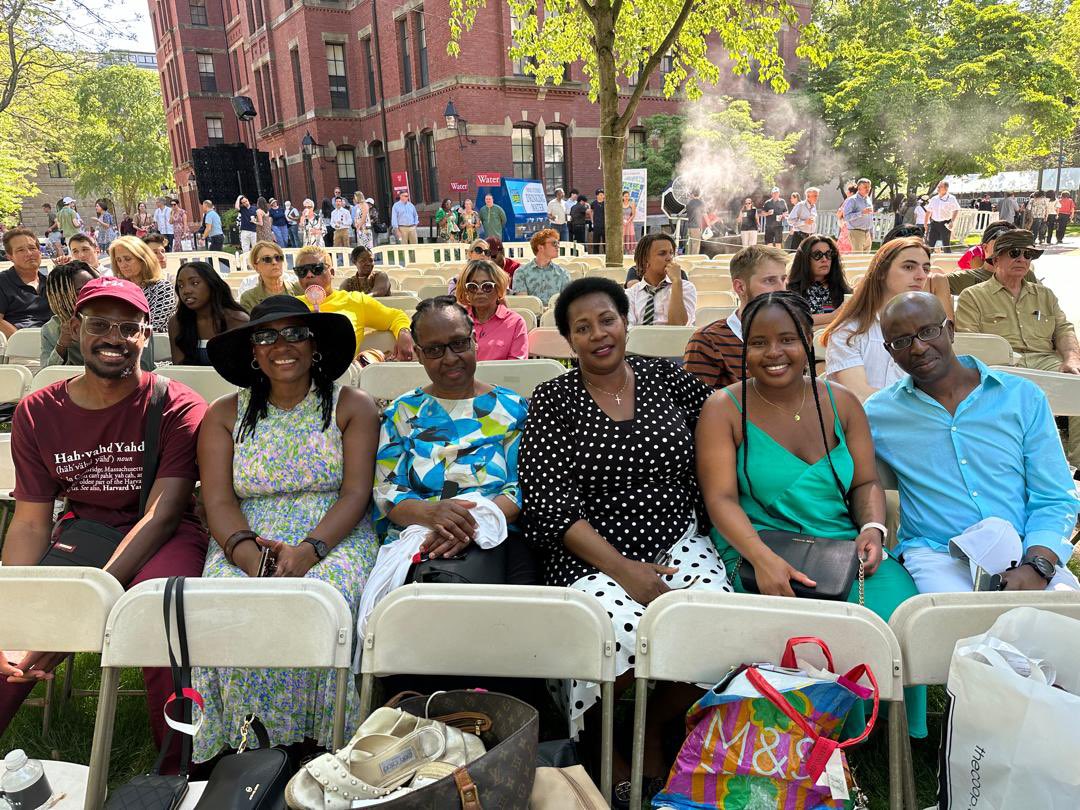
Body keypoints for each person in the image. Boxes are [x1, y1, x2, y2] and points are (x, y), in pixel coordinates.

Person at [519, 277, 730, 788]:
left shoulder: (669, 380)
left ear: (626, 320)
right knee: (609, 632)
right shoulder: (553, 399)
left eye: (606, 320)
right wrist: (623, 570)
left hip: (679, 541)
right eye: (582, 328)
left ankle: (654, 725)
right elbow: (549, 505)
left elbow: (731, 421)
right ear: (569, 341)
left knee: (718, 628)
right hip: (592, 553)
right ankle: (602, 735)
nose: (598, 335)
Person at [695, 290, 925, 738]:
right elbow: (719, 498)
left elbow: (864, 483)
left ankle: (877, 729)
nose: (774, 353)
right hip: (759, 544)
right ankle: (809, 734)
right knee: (798, 621)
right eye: (759, 342)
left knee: (896, 609)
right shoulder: (724, 408)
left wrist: (873, 529)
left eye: (787, 339)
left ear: (809, 342)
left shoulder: (841, 403)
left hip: (841, 544)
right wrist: (761, 559)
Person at [0, 277, 208, 753]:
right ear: (76, 328)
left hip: (166, 533)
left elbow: (162, 512)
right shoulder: (37, 412)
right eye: (99, 324)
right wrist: (16, 611)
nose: (113, 337)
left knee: (161, 616)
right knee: (14, 644)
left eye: (127, 327)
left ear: (145, 333)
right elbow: (31, 521)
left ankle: (176, 772)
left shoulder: (176, 405)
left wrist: (83, 605)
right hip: (85, 530)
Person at [195, 295, 378, 760]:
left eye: (296, 333)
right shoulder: (223, 414)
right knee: (226, 607)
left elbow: (355, 494)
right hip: (244, 536)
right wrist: (247, 556)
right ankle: (242, 746)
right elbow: (218, 499)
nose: (283, 345)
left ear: (314, 345)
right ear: (252, 351)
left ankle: (323, 740)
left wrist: (307, 551)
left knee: (321, 602)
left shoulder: (351, 406)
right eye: (267, 336)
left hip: (333, 534)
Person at [866, 291, 1079, 595]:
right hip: (937, 557)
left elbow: (1055, 495)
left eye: (928, 331)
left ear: (950, 330)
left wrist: (1038, 566)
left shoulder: (1021, 398)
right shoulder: (879, 414)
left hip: (1024, 551)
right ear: (890, 352)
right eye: (901, 341)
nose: (918, 347)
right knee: (958, 628)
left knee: (1064, 624)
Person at [374, 296, 533, 581]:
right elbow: (388, 491)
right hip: (420, 535)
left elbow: (521, 486)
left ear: (474, 341)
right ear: (419, 355)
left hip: (500, 533)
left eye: (459, 343)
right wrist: (431, 514)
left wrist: (470, 524)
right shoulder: (401, 413)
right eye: (434, 350)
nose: (450, 358)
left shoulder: (512, 409)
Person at [955, 228, 1080, 463]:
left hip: (1045, 362)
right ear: (997, 258)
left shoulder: (1045, 295)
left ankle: (1078, 465)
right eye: (1015, 253)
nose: (1023, 259)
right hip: (1002, 367)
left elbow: (1064, 329)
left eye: (1029, 254)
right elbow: (970, 343)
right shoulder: (973, 296)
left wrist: (1072, 358)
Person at [822, 236, 935, 401]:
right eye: (909, 267)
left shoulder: (931, 330)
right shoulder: (849, 331)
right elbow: (859, 395)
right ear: (881, 271)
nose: (921, 276)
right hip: (864, 423)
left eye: (926, 269)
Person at [683, 245, 788, 390]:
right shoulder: (708, 341)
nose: (781, 289)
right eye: (769, 281)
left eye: (783, 280)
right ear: (740, 287)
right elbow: (695, 408)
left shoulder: (793, 334)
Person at [293, 244, 415, 360]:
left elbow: (396, 316)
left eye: (317, 269)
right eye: (301, 271)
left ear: (332, 273)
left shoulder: (356, 301)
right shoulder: (290, 306)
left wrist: (404, 333)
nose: (309, 275)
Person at [169, 261, 249, 365]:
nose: (186, 291)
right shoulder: (177, 323)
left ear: (211, 284)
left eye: (195, 283)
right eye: (180, 286)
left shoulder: (238, 320)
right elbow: (180, 369)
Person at [453, 260, 527, 360]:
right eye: (472, 287)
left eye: (487, 286)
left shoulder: (516, 323)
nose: (479, 291)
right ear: (467, 291)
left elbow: (516, 368)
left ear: (499, 288)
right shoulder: (457, 320)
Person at [108, 235, 176, 334]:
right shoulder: (117, 289)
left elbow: (152, 327)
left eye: (127, 259)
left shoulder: (162, 287)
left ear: (143, 259)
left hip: (155, 346)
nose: (123, 265)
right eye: (119, 260)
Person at [626, 233, 696, 326]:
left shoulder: (685, 287)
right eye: (662, 253)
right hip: (642, 340)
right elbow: (629, 332)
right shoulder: (631, 294)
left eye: (671, 253)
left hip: (676, 340)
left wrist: (676, 282)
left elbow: (679, 327)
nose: (669, 258)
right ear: (645, 259)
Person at [787, 234, 853, 326]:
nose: (824, 259)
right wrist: (834, 316)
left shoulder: (842, 289)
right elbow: (793, 320)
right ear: (805, 259)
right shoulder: (791, 291)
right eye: (817, 255)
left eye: (828, 254)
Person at [0, 228, 51, 336]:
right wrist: (21, 341)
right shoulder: (3, 282)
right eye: (20, 250)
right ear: (10, 257)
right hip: (22, 345)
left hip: (56, 342)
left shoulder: (50, 282)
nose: (29, 253)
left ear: (40, 251)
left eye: (32, 248)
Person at [239, 241, 302, 312]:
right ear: (256, 267)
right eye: (267, 259)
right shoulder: (249, 298)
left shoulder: (299, 289)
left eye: (278, 258)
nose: (274, 262)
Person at [512, 229, 570, 304]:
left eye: (558, 243)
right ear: (540, 247)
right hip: (532, 314)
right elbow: (523, 303)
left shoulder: (563, 273)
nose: (558, 246)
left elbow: (566, 302)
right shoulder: (521, 273)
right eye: (554, 243)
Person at [840, 178, 875, 253]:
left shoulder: (868, 199)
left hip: (867, 232)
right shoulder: (852, 200)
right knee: (857, 259)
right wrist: (861, 213)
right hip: (856, 232)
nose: (868, 189)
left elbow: (870, 217)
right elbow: (846, 217)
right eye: (865, 187)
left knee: (865, 259)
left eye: (869, 187)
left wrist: (872, 232)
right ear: (859, 188)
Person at [926, 181, 960, 253]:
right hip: (934, 223)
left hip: (945, 223)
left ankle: (948, 261)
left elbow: (956, 210)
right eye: (938, 187)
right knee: (930, 243)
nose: (937, 188)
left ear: (946, 188)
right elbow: (928, 211)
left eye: (940, 187)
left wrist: (952, 221)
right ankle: (928, 260)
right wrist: (925, 223)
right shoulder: (934, 199)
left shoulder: (951, 198)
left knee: (946, 244)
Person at [683, 189, 706, 254]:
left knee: (690, 245)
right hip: (696, 227)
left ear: (693, 194)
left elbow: (688, 214)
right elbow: (705, 215)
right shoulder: (701, 203)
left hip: (689, 227)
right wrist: (709, 225)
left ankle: (689, 258)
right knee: (696, 246)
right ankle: (694, 260)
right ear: (699, 194)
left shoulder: (688, 204)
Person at [590, 189, 606, 254]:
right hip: (596, 225)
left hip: (605, 226)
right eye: (601, 195)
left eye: (603, 194)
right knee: (596, 242)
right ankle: (595, 255)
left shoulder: (606, 203)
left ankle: (606, 255)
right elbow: (591, 212)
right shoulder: (593, 203)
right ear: (597, 196)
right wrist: (592, 221)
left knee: (605, 243)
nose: (602, 196)